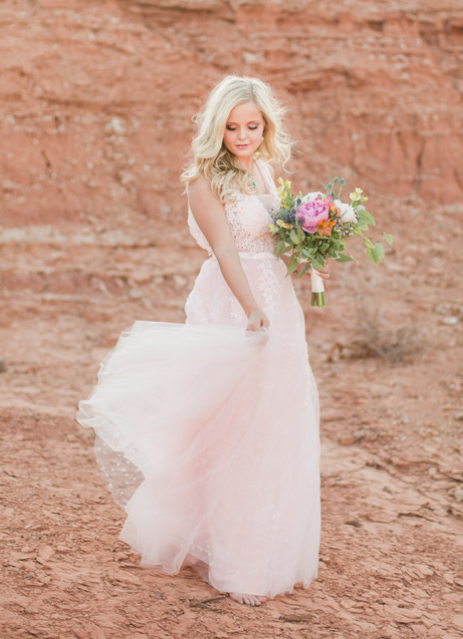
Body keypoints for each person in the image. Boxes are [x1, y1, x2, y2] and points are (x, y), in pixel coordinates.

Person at [78, 75, 325, 606]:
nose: (243, 136)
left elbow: (273, 238)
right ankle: (225, 552)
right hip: (233, 303)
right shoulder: (204, 180)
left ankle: (253, 544)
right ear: (217, 127)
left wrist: (311, 249)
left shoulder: (265, 169)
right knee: (226, 420)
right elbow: (226, 251)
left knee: (272, 417)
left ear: (266, 126)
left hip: (277, 300)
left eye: (253, 126)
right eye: (233, 126)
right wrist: (252, 308)